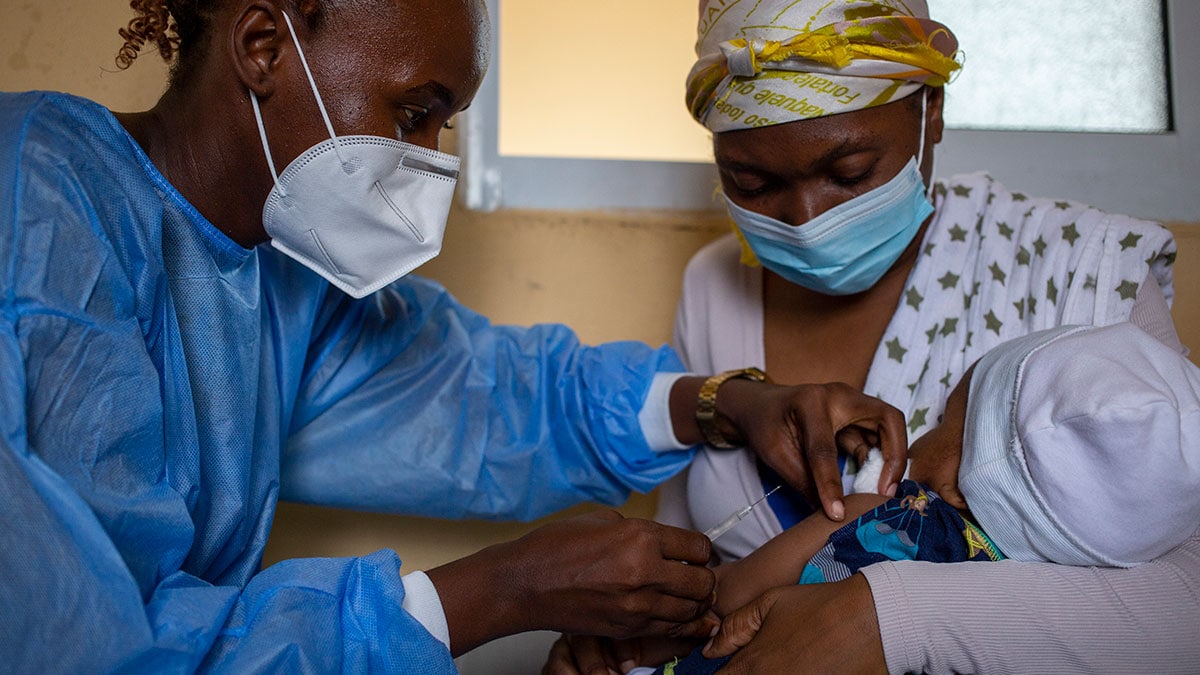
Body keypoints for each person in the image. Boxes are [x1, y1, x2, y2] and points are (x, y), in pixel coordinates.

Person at [0, 0, 912, 672]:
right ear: (263, 46)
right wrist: (500, 592)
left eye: (449, 122)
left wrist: (719, 403)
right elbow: (92, 649)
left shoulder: (274, 276)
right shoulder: (36, 214)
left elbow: (478, 396)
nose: (435, 157)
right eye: (412, 113)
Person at [545, 1, 1199, 673]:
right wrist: (624, 641)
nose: (805, 218)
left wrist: (889, 620)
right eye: (753, 182)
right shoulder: (716, 284)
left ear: (931, 111)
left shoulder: (1079, 266)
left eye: (851, 172)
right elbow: (693, 560)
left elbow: (1188, 608)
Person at [637, 322, 1200, 674]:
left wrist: (626, 647)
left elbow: (724, 600)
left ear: (954, 483)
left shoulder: (882, 517)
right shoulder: (1034, 619)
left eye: (945, 415)